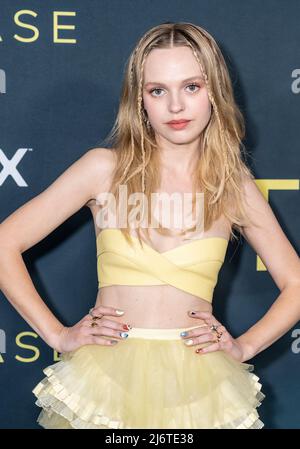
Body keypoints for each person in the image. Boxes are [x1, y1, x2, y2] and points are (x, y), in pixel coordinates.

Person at [0, 22, 300, 430]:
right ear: (139, 100)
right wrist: (56, 335)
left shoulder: (233, 186)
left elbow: (296, 284)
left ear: (215, 91)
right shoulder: (103, 169)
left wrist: (245, 346)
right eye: (158, 90)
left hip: (201, 389)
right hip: (103, 383)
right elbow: (5, 243)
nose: (175, 106)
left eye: (191, 87)